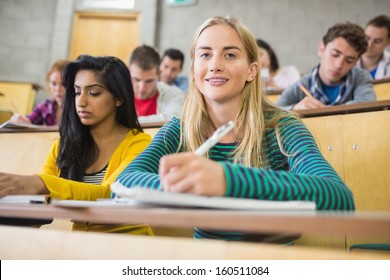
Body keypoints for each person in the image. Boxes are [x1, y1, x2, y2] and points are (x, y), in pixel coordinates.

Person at [114, 16, 355, 242]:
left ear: (252, 70)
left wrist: (227, 181)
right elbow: (122, 185)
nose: (215, 65)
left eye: (229, 55)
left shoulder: (284, 127)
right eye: (205, 55)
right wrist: (185, 188)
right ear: (194, 72)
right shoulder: (178, 128)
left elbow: (339, 198)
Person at [0, 55, 152, 235]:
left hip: (130, 243)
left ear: (118, 98)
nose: (81, 102)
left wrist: (39, 183)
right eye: (77, 92)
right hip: (81, 245)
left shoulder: (140, 143)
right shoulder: (64, 145)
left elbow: (110, 194)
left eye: (94, 93)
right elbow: (41, 199)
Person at [276, 22, 376, 111]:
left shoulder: (360, 77)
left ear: (355, 63)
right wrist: (294, 108)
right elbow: (272, 112)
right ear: (321, 49)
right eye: (335, 54)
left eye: (349, 60)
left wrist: (327, 110)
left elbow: (368, 104)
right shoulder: (301, 85)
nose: (338, 65)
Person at [128, 44, 186, 123]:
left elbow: (173, 119)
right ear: (128, 71)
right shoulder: (117, 94)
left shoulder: (175, 94)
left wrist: (129, 122)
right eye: (137, 80)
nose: (142, 88)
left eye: (149, 81)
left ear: (159, 73)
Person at [10, 59, 70, 126]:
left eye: (63, 84)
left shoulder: (79, 110)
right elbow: (28, 120)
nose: (58, 89)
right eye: (54, 84)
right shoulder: (45, 106)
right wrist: (21, 121)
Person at [356, 15, 390, 79]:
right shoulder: (347, 61)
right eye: (367, 38)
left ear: (388, 42)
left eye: (377, 41)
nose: (369, 45)